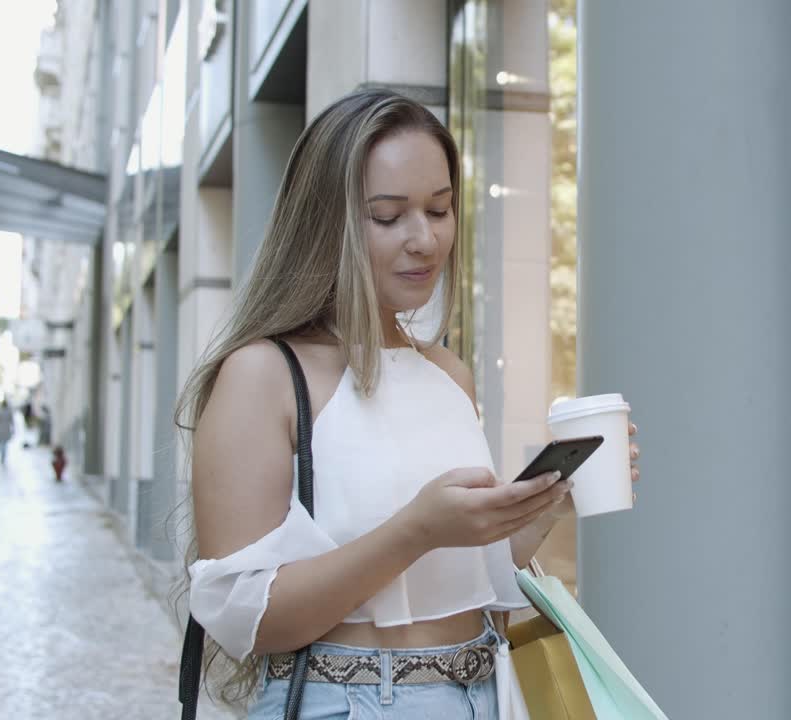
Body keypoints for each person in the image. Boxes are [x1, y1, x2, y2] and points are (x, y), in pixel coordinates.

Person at [178, 90, 640, 719]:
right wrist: (416, 530)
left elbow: (470, 587)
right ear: (326, 222)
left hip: (483, 695)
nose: (425, 239)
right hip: (349, 702)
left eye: (440, 209)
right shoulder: (263, 373)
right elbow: (248, 621)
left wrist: (539, 508)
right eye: (389, 216)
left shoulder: (449, 372)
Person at [0, 400, 14, 466]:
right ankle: (3, 455)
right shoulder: (9, 411)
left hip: (1, 429)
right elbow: (12, 421)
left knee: (1, 443)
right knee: (5, 443)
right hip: (7, 429)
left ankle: (2, 455)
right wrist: (13, 429)